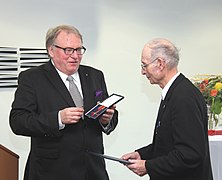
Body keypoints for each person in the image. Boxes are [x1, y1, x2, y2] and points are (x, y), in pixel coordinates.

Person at [9, 25, 118, 180]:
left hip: (93, 170)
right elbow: (18, 121)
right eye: (68, 50)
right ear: (51, 50)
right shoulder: (32, 78)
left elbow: (109, 116)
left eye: (79, 50)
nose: (75, 56)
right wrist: (58, 119)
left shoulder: (94, 75)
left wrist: (106, 120)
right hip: (51, 172)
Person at [121, 38, 213, 180]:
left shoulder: (184, 97)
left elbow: (190, 154)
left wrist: (148, 166)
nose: (142, 72)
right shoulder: (175, 92)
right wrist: (142, 155)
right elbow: (168, 144)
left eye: (144, 65)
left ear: (160, 64)